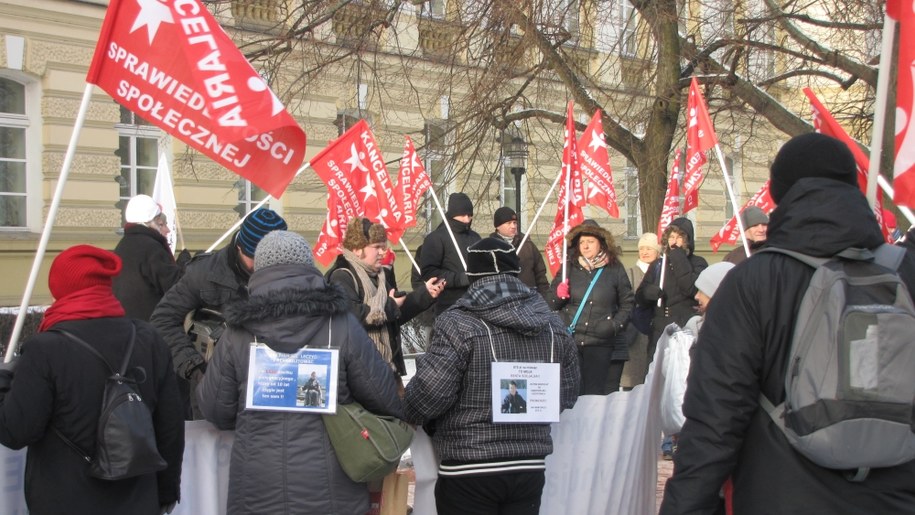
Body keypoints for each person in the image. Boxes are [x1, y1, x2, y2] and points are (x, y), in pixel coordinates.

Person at [660, 133, 915, 514]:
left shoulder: (753, 280)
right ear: (852, 185)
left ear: (780, 195)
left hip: (781, 493)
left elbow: (715, 417)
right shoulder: (905, 271)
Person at [197, 231, 404, 515]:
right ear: (309, 268)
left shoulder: (238, 332)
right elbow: (385, 398)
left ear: (258, 270)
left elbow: (215, 409)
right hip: (332, 489)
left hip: (256, 488)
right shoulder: (340, 325)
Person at [0, 245, 184, 515]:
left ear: (60, 288)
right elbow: (170, 428)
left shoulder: (45, 349)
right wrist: (166, 491)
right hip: (138, 500)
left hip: (63, 501)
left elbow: (16, 431)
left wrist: (4, 381)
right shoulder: (149, 339)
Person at [403, 237, 580, 515]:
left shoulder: (457, 323)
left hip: (469, 464)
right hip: (529, 464)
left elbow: (431, 393)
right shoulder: (553, 325)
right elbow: (566, 393)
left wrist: (408, 411)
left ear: (472, 276)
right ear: (516, 272)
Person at [150, 207, 287, 419]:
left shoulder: (291, 276)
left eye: (271, 258)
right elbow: (162, 319)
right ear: (240, 247)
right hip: (213, 388)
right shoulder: (205, 272)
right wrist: (194, 367)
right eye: (257, 258)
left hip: (273, 388)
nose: (263, 265)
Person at [327, 217, 443, 376]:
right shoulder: (341, 276)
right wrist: (389, 306)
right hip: (360, 373)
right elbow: (350, 317)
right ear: (357, 249)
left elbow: (394, 317)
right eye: (377, 247)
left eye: (383, 247)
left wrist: (425, 294)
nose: (382, 252)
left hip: (387, 370)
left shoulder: (379, 277)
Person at [550, 220, 634, 395]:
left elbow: (628, 304)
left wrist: (613, 325)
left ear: (601, 243)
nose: (585, 246)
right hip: (572, 342)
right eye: (582, 242)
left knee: (596, 397)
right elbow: (549, 303)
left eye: (590, 241)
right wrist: (558, 295)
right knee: (572, 395)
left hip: (601, 344)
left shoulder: (615, 268)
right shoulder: (569, 268)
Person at [635, 217, 708, 362]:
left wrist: (677, 256)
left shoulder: (698, 263)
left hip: (685, 328)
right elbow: (639, 297)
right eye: (671, 236)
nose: (674, 241)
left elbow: (690, 288)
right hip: (660, 329)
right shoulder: (658, 265)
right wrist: (649, 293)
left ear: (688, 240)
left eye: (679, 237)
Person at [113, 194, 183, 321]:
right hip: (149, 326)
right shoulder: (152, 248)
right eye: (162, 224)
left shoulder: (123, 245)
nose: (167, 230)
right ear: (149, 223)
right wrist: (186, 267)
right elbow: (175, 287)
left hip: (125, 323)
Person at [419, 192, 481, 315]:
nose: (467, 219)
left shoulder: (475, 237)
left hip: (476, 303)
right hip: (448, 305)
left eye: (470, 215)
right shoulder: (436, 238)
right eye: (463, 215)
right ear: (453, 214)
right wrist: (459, 279)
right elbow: (428, 272)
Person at [621, 232, 660, 389]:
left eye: (649, 248)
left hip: (654, 332)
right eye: (642, 248)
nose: (644, 252)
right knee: (633, 385)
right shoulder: (630, 273)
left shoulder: (662, 274)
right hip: (635, 335)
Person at [490, 206, 550, 299]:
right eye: (509, 223)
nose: (513, 226)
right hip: (503, 300)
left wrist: (545, 298)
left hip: (529, 298)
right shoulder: (490, 246)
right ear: (498, 226)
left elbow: (540, 274)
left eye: (515, 222)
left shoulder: (527, 243)